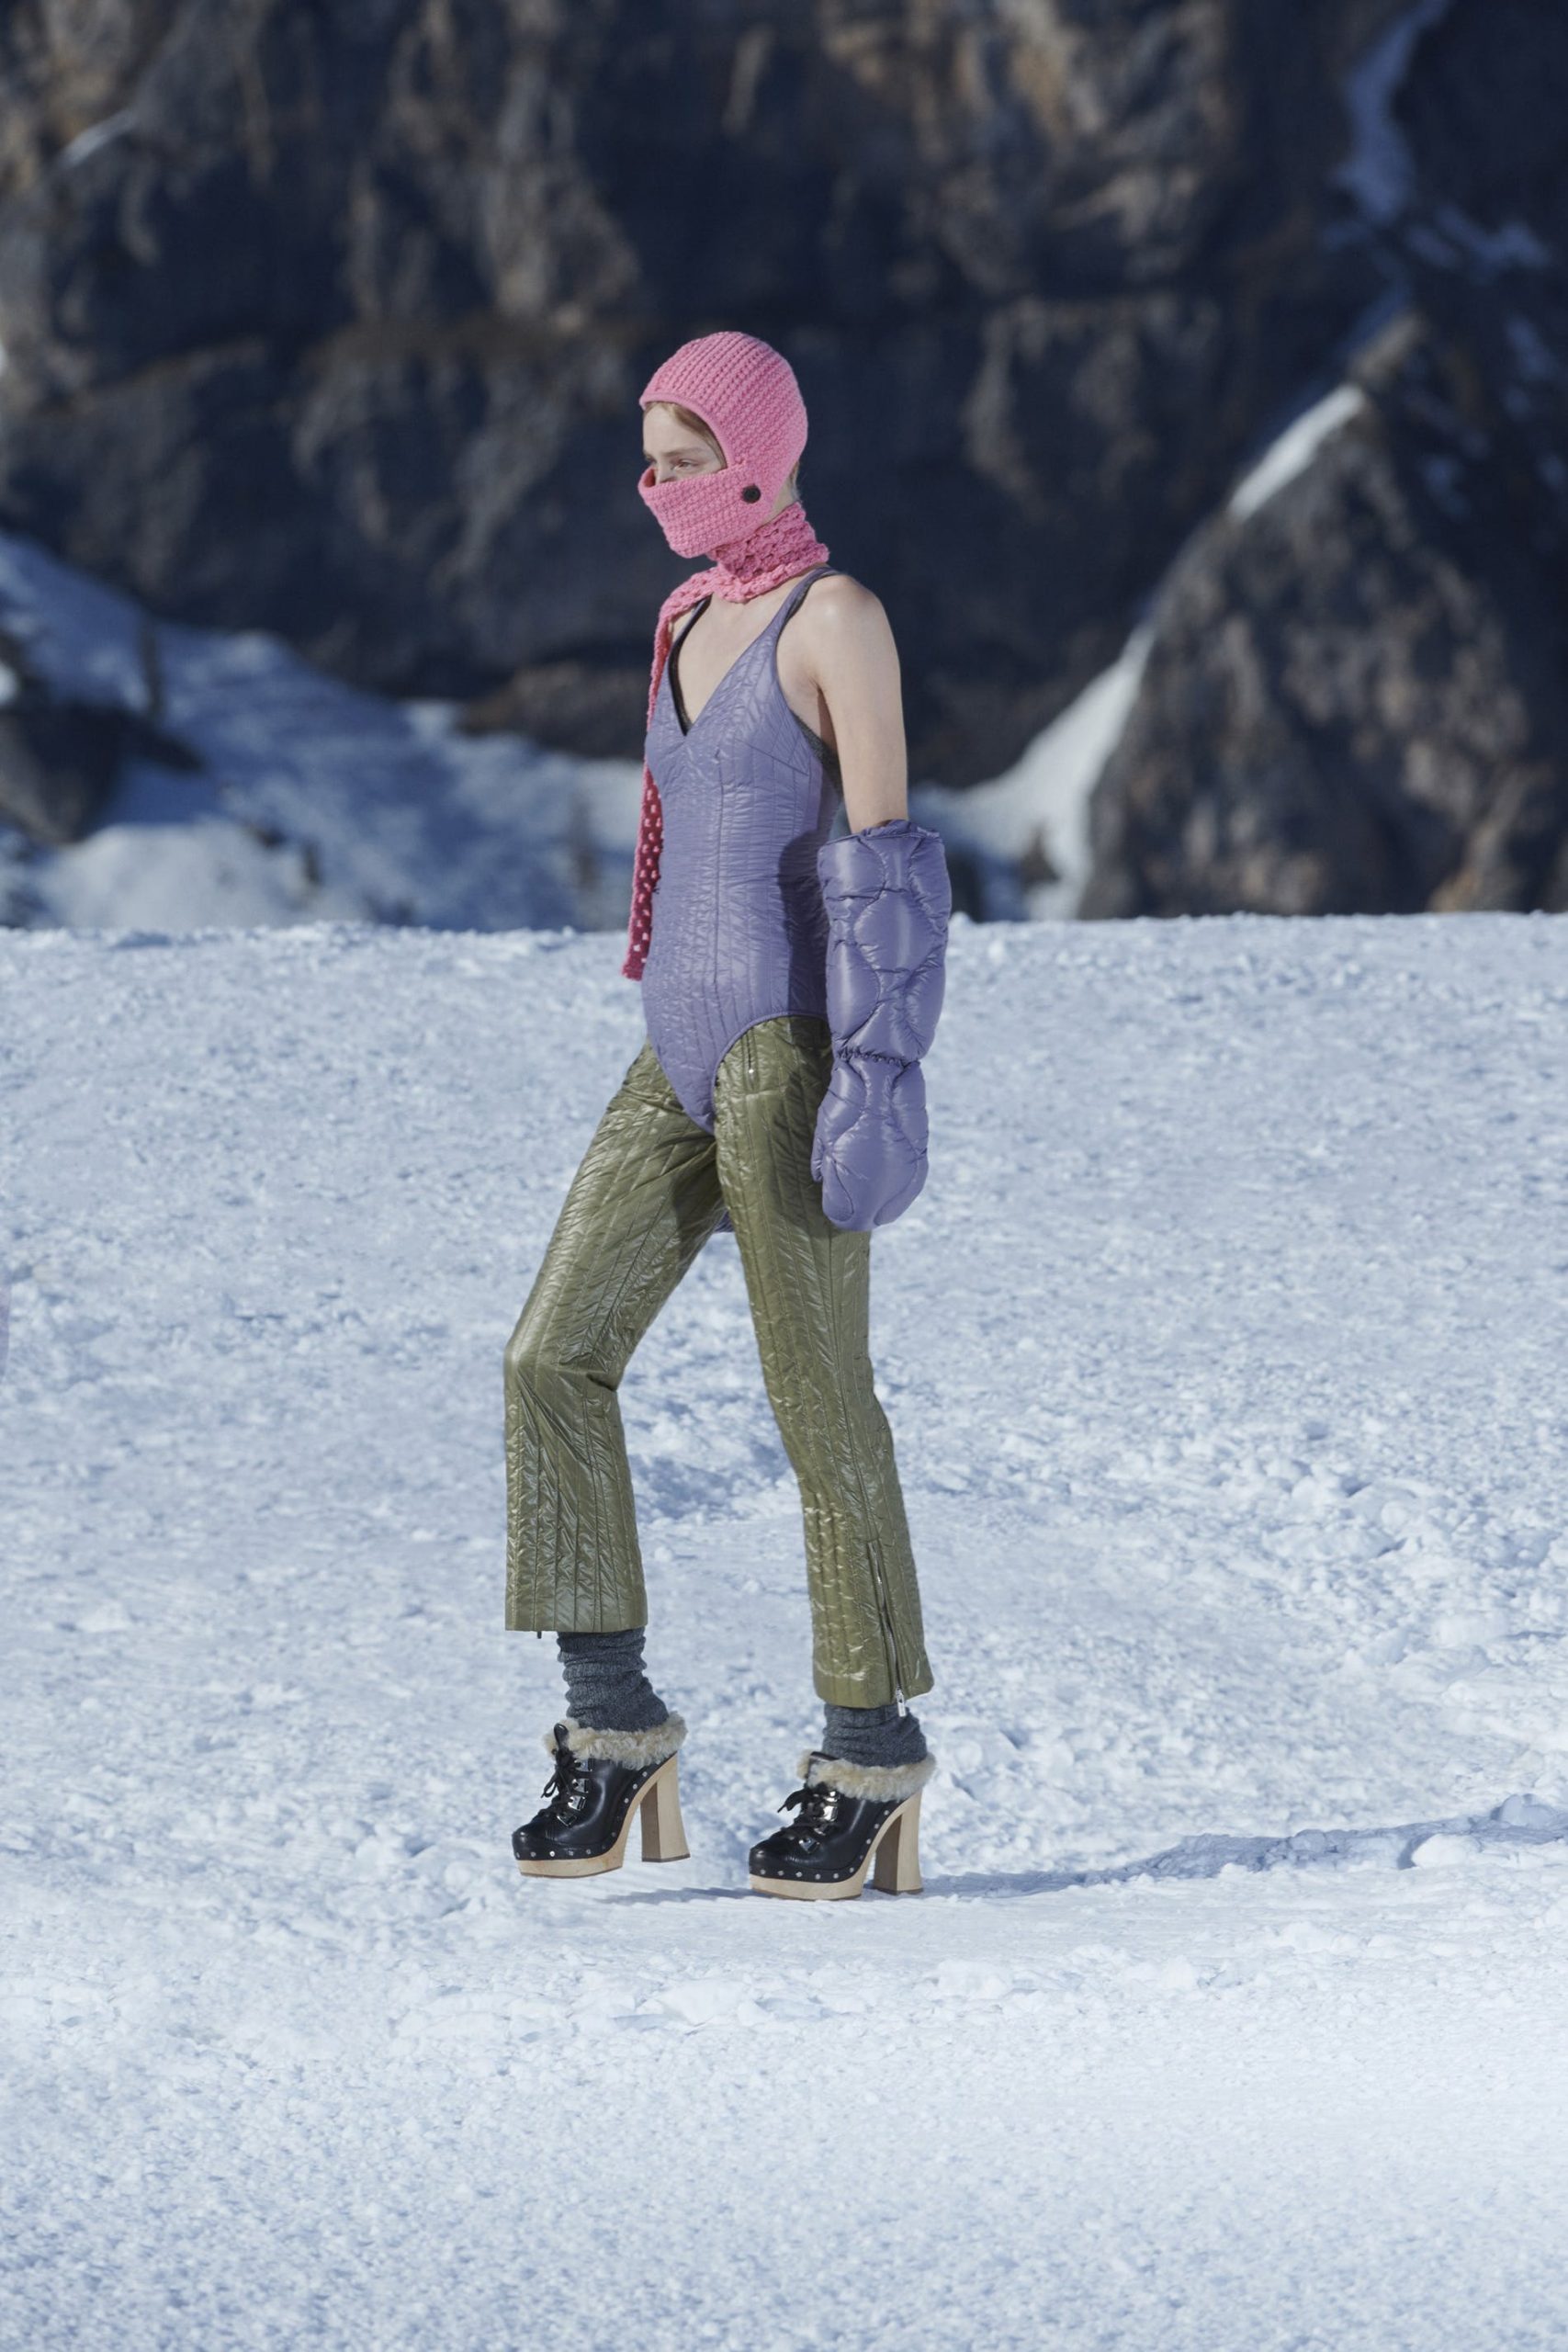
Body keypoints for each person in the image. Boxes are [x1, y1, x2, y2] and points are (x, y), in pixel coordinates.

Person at [504, 330, 952, 1901]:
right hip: (673, 1051)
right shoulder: (685, 618)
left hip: (787, 1053)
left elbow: (887, 874)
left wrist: (878, 1080)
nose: (664, 488)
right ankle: (613, 1726)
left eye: (689, 459)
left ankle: (870, 1753)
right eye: (651, 462)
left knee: (819, 1401)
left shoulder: (838, 621)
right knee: (551, 1356)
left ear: (763, 451)